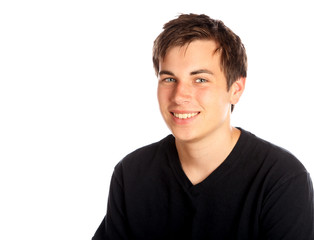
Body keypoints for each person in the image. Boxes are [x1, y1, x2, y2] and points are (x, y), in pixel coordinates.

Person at [92, 13, 314, 239]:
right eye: (169, 79)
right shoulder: (131, 174)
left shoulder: (281, 179)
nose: (179, 95)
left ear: (235, 89)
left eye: (200, 80)